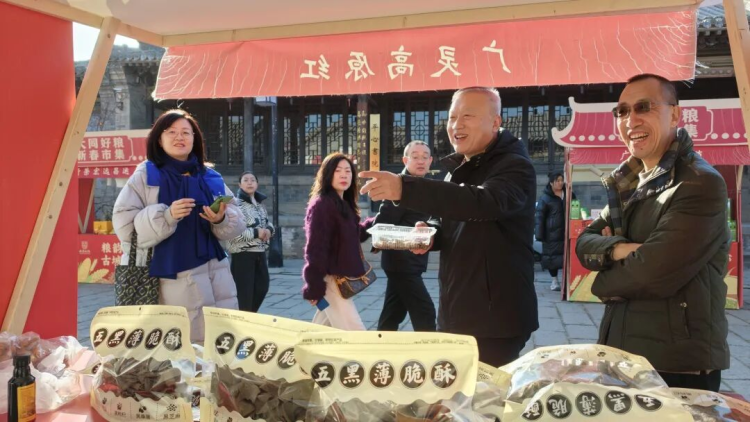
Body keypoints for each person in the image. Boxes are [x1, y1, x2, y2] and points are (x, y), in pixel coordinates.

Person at [359, 87, 539, 366]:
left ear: (495, 122)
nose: (456, 125)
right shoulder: (460, 168)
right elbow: (449, 218)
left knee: (484, 390)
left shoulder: (515, 166)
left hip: (495, 318)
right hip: (458, 307)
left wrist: (405, 187)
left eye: (468, 116)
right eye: (452, 117)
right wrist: (431, 232)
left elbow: (483, 202)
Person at [575, 74, 730, 392]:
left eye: (643, 107)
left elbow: (651, 274)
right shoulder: (628, 183)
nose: (631, 119)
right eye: (622, 111)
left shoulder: (698, 183)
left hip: (676, 366)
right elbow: (583, 243)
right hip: (622, 353)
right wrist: (620, 249)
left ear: (675, 114)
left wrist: (601, 281)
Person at [113, 109, 244, 342]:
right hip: (167, 277)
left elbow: (238, 222)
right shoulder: (146, 175)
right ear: (159, 139)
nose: (179, 137)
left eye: (186, 132)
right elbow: (124, 226)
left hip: (216, 274)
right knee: (179, 346)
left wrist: (220, 219)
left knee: (219, 342)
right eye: (171, 132)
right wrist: (166, 216)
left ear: (195, 139)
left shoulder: (210, 176)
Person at [302, 153, 374, 330]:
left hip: (339, 278)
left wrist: (374, 224)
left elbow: (353, 235)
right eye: (338, 170)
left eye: (348, 171)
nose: (344, 175)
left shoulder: (343, 204)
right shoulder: (322, 205)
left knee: (322, 332)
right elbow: (315, 249)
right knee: (355, 332)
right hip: (332, 280)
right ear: (327, 174)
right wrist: (314, 286)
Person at [373, 141, 437, 332]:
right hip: (402, 262)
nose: (420, 161)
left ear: (431, 161)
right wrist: (377, 242)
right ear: (405, 160)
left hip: (411, 261)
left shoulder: (425, 185)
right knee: (425, 311)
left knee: (393, 312)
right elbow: (384, 219)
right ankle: (428, 348)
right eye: (415, 157)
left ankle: (382, 344)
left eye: (425, 157)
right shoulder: (399, 186)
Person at [226, 172, 275, 313]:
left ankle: (250, 317)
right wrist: (256, 233)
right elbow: (232, 232)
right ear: (239, 184)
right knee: (244, 294)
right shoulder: (235, 204)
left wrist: (268, 231)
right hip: (242, 255)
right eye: (246, 180)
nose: (249, 182)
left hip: (260, 253)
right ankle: (244, 319)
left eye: (253, 180)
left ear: (257, 184)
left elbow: (268, 223)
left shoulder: (259, 204)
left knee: (262, 288)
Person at [535, 172, 572, 292]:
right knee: (552, 258)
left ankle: (568, 281)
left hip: (567, 231)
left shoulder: (569, 194)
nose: (560, 183)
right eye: (558, 180)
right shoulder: (545, 198)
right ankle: (554, 281)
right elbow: (539, 217)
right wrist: (539, 234)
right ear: (551, 183)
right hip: (551, 233)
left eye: (562, 180)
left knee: (568, 256)